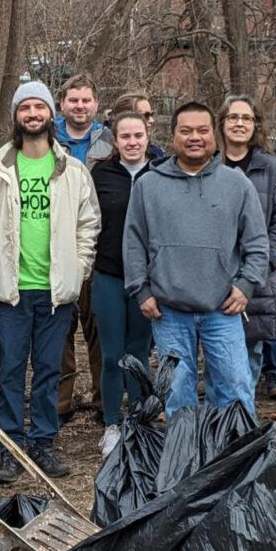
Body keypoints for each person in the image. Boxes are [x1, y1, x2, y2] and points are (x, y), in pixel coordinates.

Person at [0, 81, 100, 484]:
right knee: (9, 369)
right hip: (11, 290)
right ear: (16, 116)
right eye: (26, 108)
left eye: (40, 106)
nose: (33, 114)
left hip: (56, 292)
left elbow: (87, 225)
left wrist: (78, 269)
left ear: (50, 114)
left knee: (47, 369)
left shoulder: (72, 171)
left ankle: (43, 441)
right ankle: (11, 444)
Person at [125, 102, 268, 418]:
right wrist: (141, 290)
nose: (195, 137)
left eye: (202, 130)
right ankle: (186, 460)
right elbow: (133, 243)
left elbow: (257, 243)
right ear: (172, 135)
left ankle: (237, 458)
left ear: (213, 136)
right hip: (169, 312)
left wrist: (245, 285)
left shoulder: (236, 184)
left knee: (236, 388)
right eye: (186, 130)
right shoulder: (148, 185)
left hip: (223, 310)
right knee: (177, 393)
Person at [88, 106, 157, 456]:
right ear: (114, 140)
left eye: (138, 135)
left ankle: (140, 421)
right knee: (112, 353)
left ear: (148, 136)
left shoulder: (161, 172)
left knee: (139, 353)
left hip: (147, 279)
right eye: (125, 136)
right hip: (108, 274)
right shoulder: (101, 174)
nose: (132, 142)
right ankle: (112, 423)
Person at [218, 94, 276, 400]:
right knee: (218, 360)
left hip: (255, 279)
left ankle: (242, 426)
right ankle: (219, 427)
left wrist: (264, 264)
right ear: (221, 123)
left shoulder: (270, 168)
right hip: (214, 278)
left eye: (246, 118)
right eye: (233, 117)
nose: (239, 124)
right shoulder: (207, 165)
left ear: (255, 125)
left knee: (250, 356)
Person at [51, 75, 106, 419]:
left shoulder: (111, 141)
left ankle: (105, 401)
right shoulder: (46, 141)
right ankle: (61, 404)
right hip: (55, 252)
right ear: (62, 105)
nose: (80, 106)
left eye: (86, 100)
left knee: (99, 330)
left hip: (100, 250)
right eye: (73, 100)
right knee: (59, 332)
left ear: (96, 104)